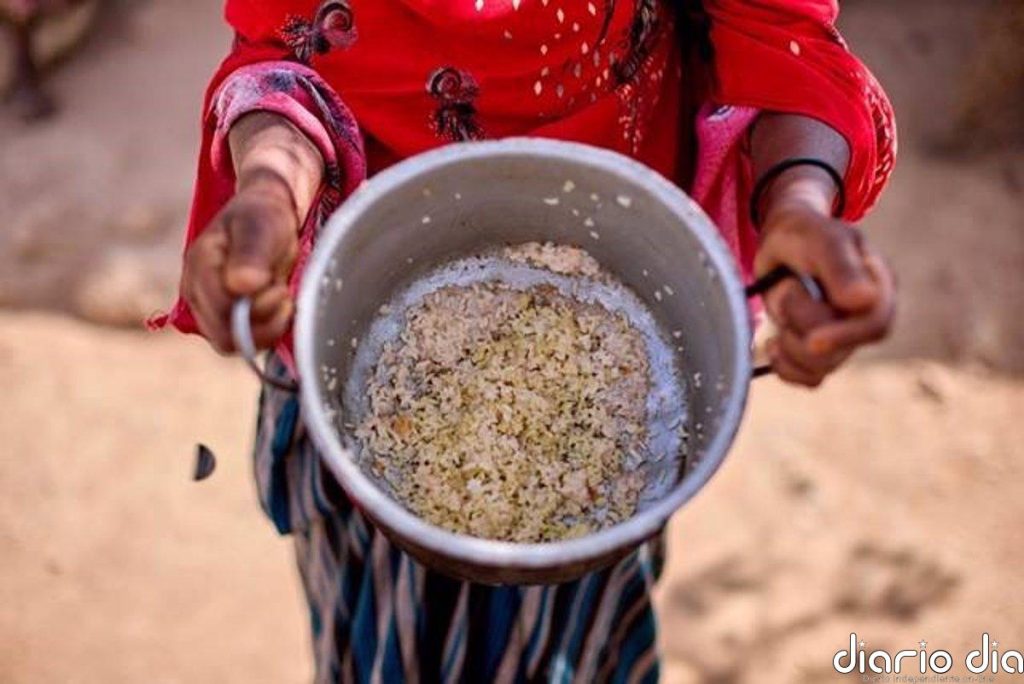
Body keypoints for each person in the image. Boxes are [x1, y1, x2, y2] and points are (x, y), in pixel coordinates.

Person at [152, 1, 897, 681]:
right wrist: (269, 190)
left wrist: (797, 201)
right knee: (385, 647)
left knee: (568, 635)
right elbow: (287, 50)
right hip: (360, 309)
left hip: (620, 359)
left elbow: (774, 34)